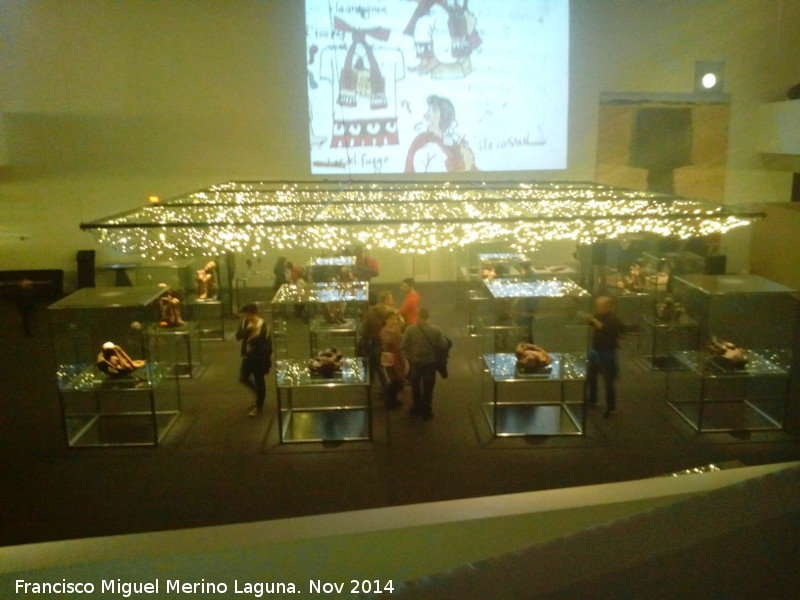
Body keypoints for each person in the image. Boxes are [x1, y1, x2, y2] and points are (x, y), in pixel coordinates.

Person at [405, 95, 476, 173]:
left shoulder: (454, 144)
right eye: (428, 110)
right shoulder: (420, 140)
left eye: (433, 110)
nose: (426, 115)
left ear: (443, 116)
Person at [583, 296, 626, 417]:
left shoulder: (613, 319)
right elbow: (593, 324)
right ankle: (592, 399)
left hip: (607, 353)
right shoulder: (599, 316)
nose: (598, 308)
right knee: (591, 377)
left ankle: (611, 407)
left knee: (608, 381)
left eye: (601, 306)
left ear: (609, 307)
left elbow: (606, 329)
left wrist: (593, 320)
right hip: (595, 351)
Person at [402, 307, 448, 420]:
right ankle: (427, 410)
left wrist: (409, 354)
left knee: (415, 385)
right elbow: (443, 345)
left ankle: (416, 407)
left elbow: (403, 344)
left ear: (418, 316)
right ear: (428, 317)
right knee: (428, 387)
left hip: (415, 362)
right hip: (430, 363)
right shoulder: (436, 330)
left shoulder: (410, 329)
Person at [236, 303, 273, 417]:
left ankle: (259, 405)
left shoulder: (264, 325)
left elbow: (267, 344)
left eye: (246, 314)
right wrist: (248, 330)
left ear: (252, 314)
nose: (245, 317)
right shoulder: (245, 323)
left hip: (259, 358)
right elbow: (238, 336)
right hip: (247, 356)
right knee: (243, 377)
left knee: (259, 380)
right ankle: (258, 395)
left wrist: (256, 345)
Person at [379, 313, 407, 409]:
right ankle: (389, 401)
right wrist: (396, 333)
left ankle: (394, 399)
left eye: (395, 319)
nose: (394, 321)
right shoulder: (384, 331)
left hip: (398, 357)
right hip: (389, 357)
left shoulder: (396, 330)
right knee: (393, 379)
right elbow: (388, 341)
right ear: (386, 320)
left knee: (397, 378)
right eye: (391, 319)